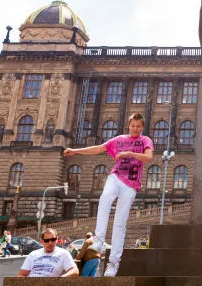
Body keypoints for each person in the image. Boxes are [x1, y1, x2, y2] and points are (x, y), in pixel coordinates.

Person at [64, 113, 154, 276]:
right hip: (116, 177)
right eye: (132, 125)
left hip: (131, 184)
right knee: (105, 199)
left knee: (120, 223)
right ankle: (98, 240)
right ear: (129, 125)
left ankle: (113, 264)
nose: (135, 129)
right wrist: (75, 151)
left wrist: (129, 154)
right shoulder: (118, 139)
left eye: (138, 126)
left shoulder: (145, 140)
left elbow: (148, 157)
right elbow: (97, 149)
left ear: (142, 127)